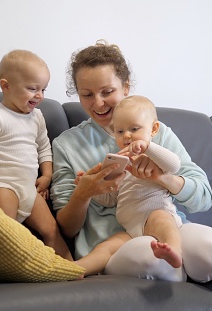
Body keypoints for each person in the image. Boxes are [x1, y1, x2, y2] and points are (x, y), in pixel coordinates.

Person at [51, 40, 212, 282]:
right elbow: (67, 228)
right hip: (116, 245)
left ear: (125, 87)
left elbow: (203, 197)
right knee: (157, 262)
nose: (98, 103)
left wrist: (163, 178)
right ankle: (204, 268)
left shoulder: (157, 132)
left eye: (107, 92)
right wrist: (84, 193)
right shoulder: (66, 145)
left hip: (167, 226)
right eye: (87, 95)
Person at [0, 49, 74, 262]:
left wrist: (48, 175)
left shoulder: (37, 117)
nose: (39, 95)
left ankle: (73, 268)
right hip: (4, 186)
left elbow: (44, 148)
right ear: (6, 86)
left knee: (51, 229)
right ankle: (8, 266)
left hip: (30, 190)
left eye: (43, 89)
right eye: (32, 88)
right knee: (7, 228)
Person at [76, 95, 188, 269]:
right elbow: (112, 198)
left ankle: (174, 250)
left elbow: (174, 165)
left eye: (134, 129)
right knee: (106, 247)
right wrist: (89, 188)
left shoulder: (155, 158)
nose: (127, 135)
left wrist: (148, 147)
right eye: (119, 131)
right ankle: (76, 269)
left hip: (156, 213)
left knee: (162, 222)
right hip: (130, 228)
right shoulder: (120, 162)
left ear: (153, 129)